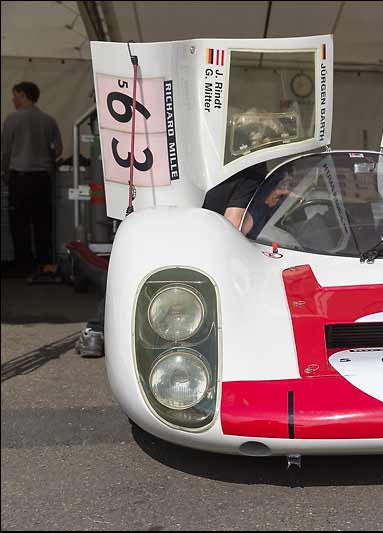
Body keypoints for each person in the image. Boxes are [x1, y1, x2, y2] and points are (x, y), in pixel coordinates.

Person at [76, 163, 266, 358]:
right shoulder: (250, 173)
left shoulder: (206, 160)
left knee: (132, 270)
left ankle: (97, 332)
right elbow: (234, 224)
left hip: (157, 214)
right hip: (201, 249)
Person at [1, 82, 62, 275]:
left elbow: (6, 151)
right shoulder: (49, 121)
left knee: (19, 223)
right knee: (42, 221)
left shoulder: (12, 119)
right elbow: (58, 150)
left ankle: (23, 265)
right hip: (43, 179)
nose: (13, 100)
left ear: (23, 95)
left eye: (15, 96)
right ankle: (44, 263)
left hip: (20, 178)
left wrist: (4, 173)